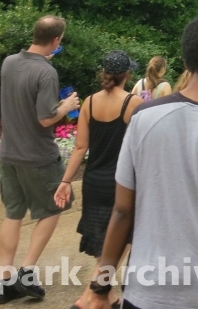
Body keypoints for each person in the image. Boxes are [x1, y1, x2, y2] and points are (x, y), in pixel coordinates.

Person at [71, 14, 198, 309]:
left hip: (143, 291)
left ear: (185, 59)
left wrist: (100, 287)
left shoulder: (143, 118)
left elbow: (122, 211)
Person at [0, 15, 80, 304]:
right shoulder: (46, 73)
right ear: (56, 41)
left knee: (13, 214)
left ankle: (5, 282)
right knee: (53, 208)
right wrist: (65, 106)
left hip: (9, 154)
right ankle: (27, 271)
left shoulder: (8, 62)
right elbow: (45, 119)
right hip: (39, 157)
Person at [55, 50, 141, 257]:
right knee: (121, 237)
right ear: (127, 74)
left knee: (99, 241)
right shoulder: (134, 103)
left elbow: (80, 148)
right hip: (122, 183)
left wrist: (65, 182)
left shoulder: (90, 102)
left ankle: (101, 285)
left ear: (103, 72)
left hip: (93, 182)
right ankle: (100, 286)